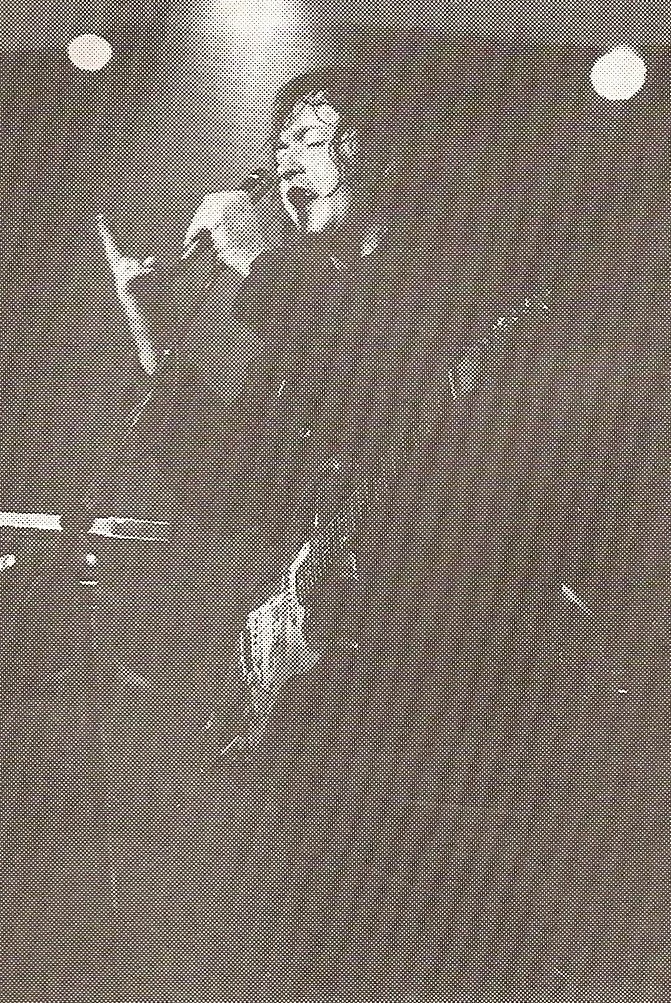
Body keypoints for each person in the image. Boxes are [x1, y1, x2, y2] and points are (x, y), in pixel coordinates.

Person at [98, 66, 670, 989]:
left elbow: (390, 369)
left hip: (456, 698)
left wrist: (259, 265)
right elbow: (241, 492)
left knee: (456, 956)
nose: (286, 167)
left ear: (383, 156)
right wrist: (155, 333)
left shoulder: (452, 279)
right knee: (321, 953)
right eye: (278, 145)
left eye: (310, 140)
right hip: (333, 701)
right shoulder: (312, 316)